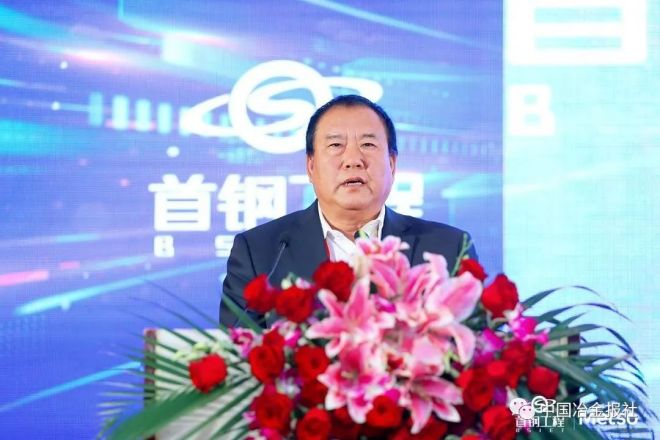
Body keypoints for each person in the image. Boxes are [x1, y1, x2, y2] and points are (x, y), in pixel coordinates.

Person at [220, 95, 477, 326]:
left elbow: (479, 347)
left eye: (368, 145)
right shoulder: (260, 252)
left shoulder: (449, 248)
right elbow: (238, 355)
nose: (353, 160)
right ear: (311, 166)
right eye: (335, 145)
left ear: (392, 163)